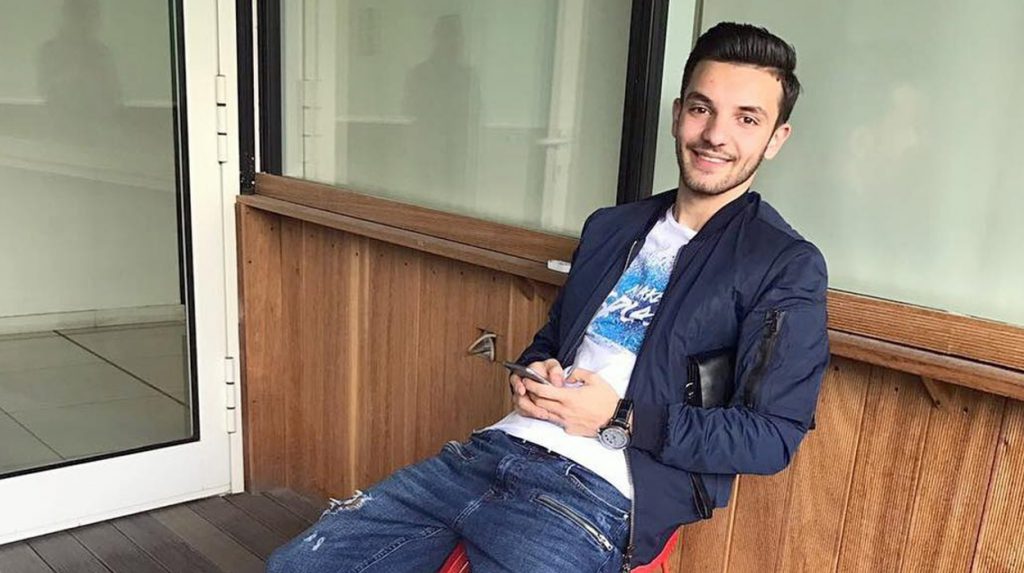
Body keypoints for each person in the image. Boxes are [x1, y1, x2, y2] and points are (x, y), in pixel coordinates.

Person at [267, 22, 829, 573]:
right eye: (703, 109)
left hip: (595, 495)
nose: (715, 135)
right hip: (486, 455)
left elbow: (771, 437)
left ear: (776, 138)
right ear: (678, 113)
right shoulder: (612, 228)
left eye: (746, 118)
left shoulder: (783, 265)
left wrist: (621, 416)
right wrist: (533, 371)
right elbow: (555, 338)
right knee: (294, 565)